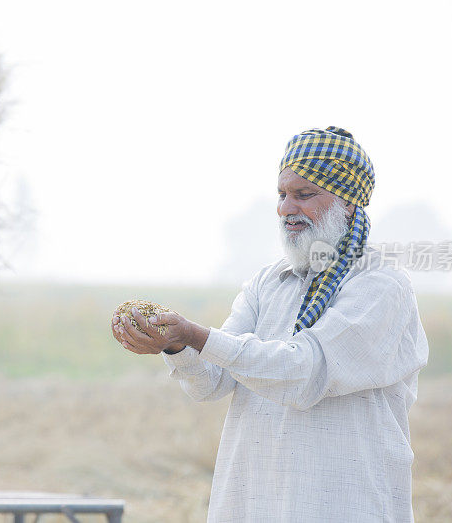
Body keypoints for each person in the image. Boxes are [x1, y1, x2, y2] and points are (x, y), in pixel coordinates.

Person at [111, 127, 429, 522]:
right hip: (256, 503)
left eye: (304, 194)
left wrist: (196, 334)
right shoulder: (268, 282)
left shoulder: (380, 285)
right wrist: (175, 345)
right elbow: (212, 380)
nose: (286, 209)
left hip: (345, 506)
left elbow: (304, 372)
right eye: (282, 194)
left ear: (347, 201)